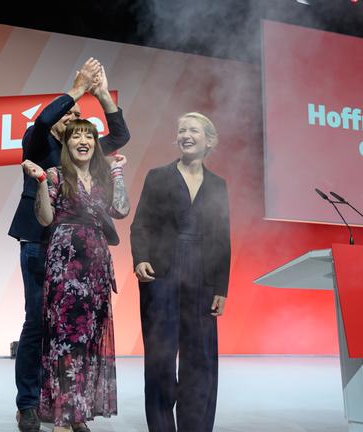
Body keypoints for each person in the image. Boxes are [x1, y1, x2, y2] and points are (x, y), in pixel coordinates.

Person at [8, 59, 130, 432]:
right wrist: (77, 88)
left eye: (79, 117)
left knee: (78, 329)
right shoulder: (38, 142)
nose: (74, 120)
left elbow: (120, 135)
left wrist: (102, 94)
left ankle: (70, 406)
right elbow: (43, 120)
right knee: (37, 323)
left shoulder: (83, 151)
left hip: (82, 254)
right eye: (68, 113)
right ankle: (29, 404)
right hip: (40, 244)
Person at [130, 112, 231, 432]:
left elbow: (222, 239)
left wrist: (221, 288)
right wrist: (140, 258)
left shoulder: (218, 185)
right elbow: (141, 224)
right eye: (182, 130)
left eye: (193, 130)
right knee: (160, 359)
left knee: (200, 360)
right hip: (162, 275)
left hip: (202, 279)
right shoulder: (158, 176)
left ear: (209, 140)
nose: (186, 135)